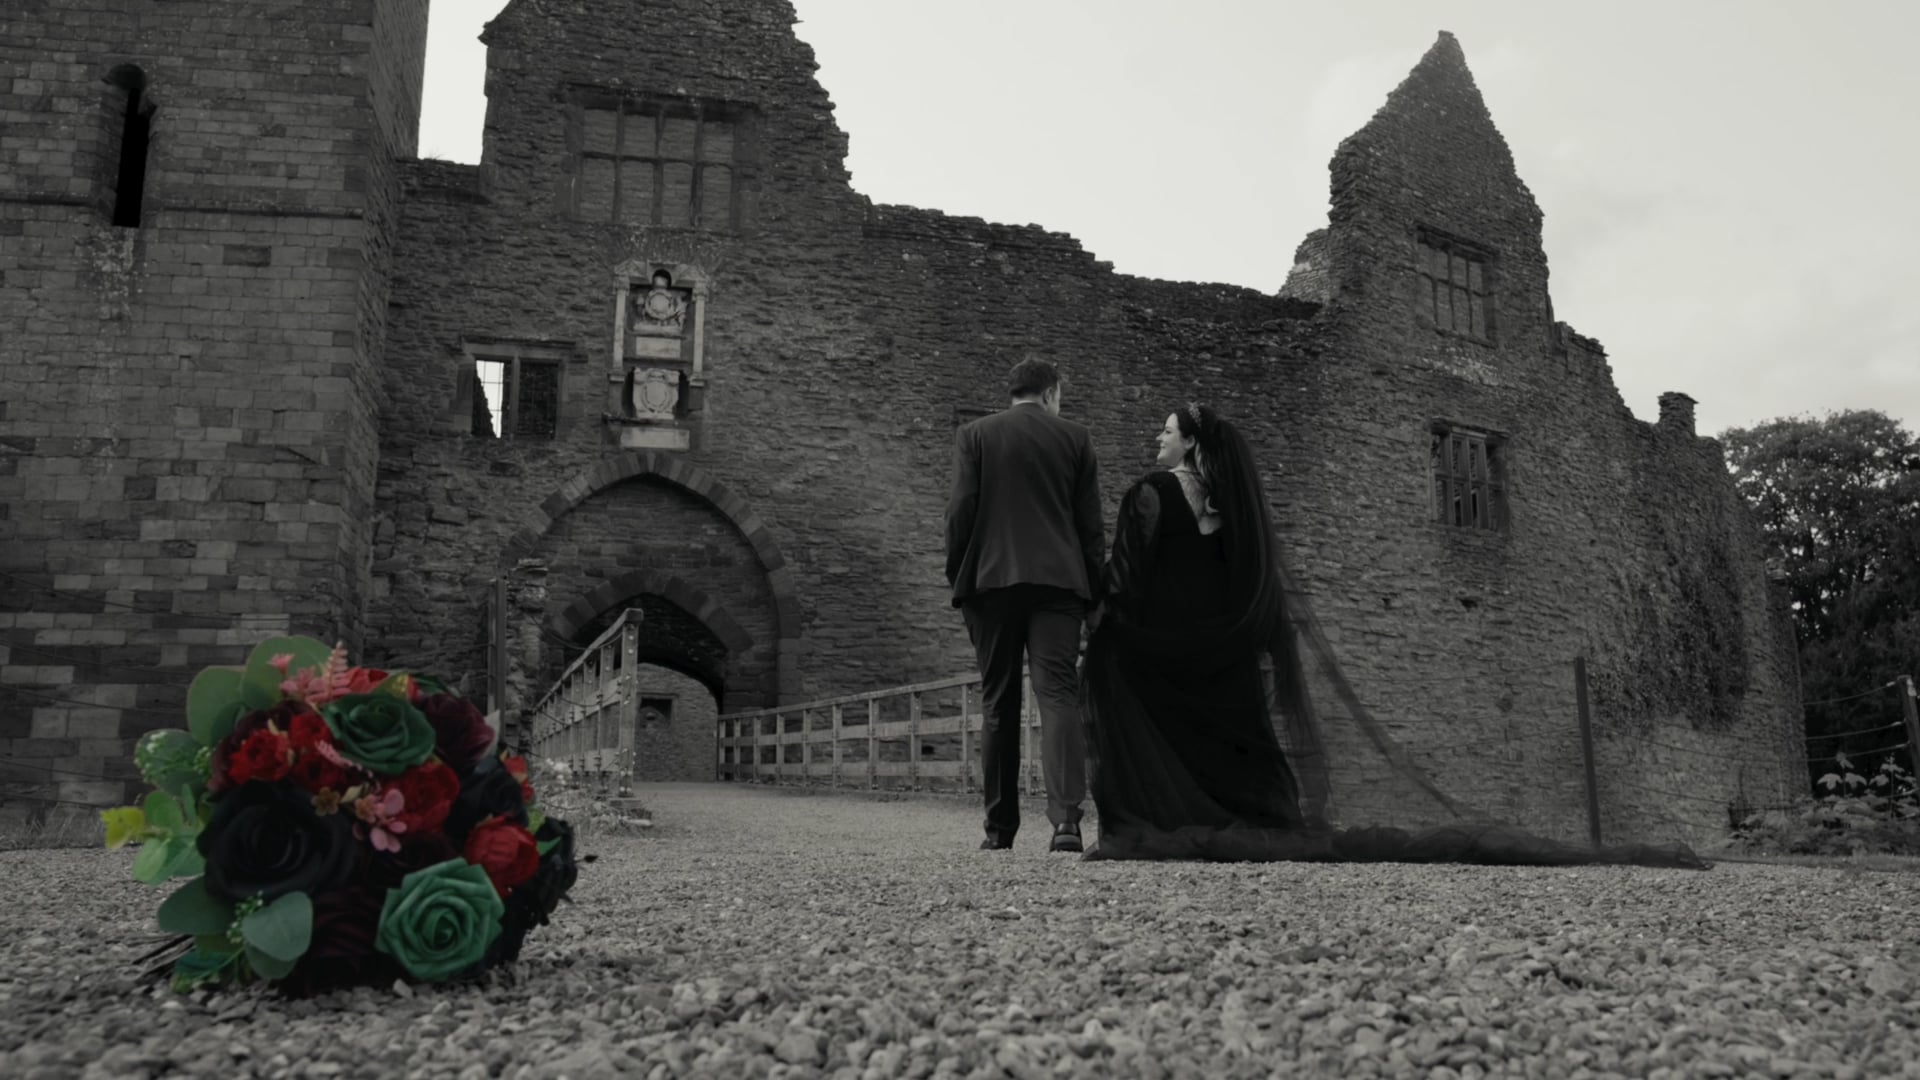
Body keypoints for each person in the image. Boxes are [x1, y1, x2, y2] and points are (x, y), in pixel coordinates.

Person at [1080, 402, 1707, 869]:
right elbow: (1247, 590)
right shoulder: (1232, 513)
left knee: (1119, 684)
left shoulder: (1150, 495)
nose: (1157, 437)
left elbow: (1128, 578)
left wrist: (1103, 628)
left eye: (1166, 430)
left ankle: (1156, 817)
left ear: (1189, 443)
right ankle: (1219, 818)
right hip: (1219, 654)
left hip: (1162, 648)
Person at [946, 359, 1106, 853]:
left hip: (991, 582)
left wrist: (959, 576)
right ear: (1051, 392)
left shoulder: (975, 435)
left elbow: (960, 512)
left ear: (1012, 391)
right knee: (1057, 696)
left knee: (998, 702)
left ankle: (999, 830)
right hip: (1059, 584)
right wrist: (1094, 593)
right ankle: (1065, 824)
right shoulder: (1076, 438)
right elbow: (1090, 527)